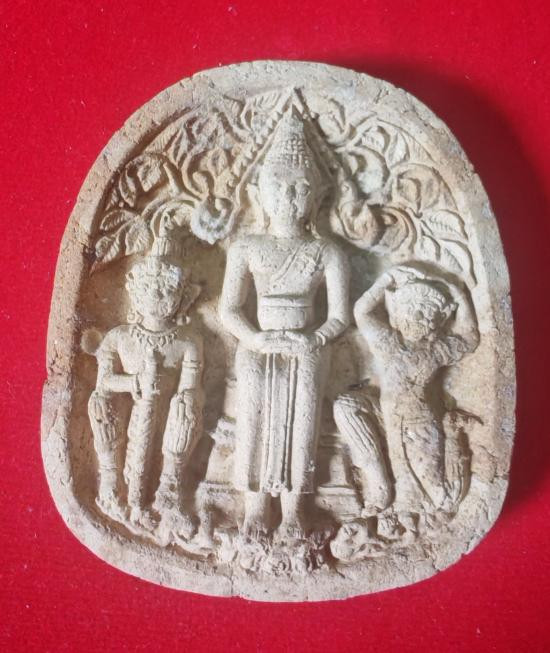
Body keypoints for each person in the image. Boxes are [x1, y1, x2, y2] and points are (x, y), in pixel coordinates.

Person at [220, 110, 350, 538]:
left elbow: (339, 315)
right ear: (259, 193)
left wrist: (314, 339)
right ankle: (255, 509)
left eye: (300, 188)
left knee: (303, 418)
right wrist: (255, 339)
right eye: (279, 186)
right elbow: (229, 310)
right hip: (258, 346)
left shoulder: (327, 252)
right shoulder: (246, 247)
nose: (289, 196)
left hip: (306, 346)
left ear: (317, 197)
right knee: (254, 415)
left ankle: (294, 511)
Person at [88, 256, 203, 539]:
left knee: (187, 404)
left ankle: (169, 485)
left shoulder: (188, 343)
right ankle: (111, 477)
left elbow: (189, 388)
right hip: (131, 404)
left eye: (166, 289)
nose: (156, 295)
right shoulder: (119, 337)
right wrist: (134, 382)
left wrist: (179, 400)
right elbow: (104, 381)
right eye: (148, 287)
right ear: (135, 293)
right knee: (99, 401)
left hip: (164, 416)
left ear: (183, 297)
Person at [352, 265, 479, 518]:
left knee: (432, 484)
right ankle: (388, 497)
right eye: (411, 310)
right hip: (388, 415)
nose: (418, 316)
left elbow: (470, 338)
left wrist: (461, 297)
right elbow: (362, 312)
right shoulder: (388, 342)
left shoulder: (435, 350)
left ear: (437, 322)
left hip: (420, 421)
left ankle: (435, 505)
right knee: (349, 408)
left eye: (426, 312)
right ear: (398, 316)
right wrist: (386, 279)